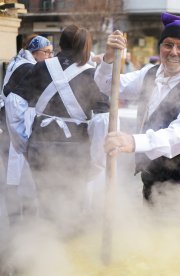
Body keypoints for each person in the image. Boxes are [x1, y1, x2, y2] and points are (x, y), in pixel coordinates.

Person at [95, 12, 180, 204]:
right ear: (160, 48)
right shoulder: (151, 73)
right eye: (168, 45)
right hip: (151, 176)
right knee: (151, 231)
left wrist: (133, 141)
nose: (173, 52)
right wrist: (109, 58)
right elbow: (109, 85)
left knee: (178, 233)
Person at [6, 25, 110, 233]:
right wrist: (97, 162)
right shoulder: (93, 75)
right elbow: (102, 122)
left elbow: (13, 103)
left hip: (39, 146)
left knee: (45, 202)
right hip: (76, 151)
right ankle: (66, 252)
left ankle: (47, 249)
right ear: (86, 46)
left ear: (60, 44)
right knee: (73, 206)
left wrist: (23, 145)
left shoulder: (41, 67)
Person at [1, 34, 53, 224]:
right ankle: (22, 227)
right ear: (34, 52)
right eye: (46, 52)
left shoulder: (18, 61)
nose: (49, 56)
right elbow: (15, 101)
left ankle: (17, 224)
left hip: (9, 127)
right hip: (15, 127)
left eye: (51, 52)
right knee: (23, 179)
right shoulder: (29, 68)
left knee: (14, 178)